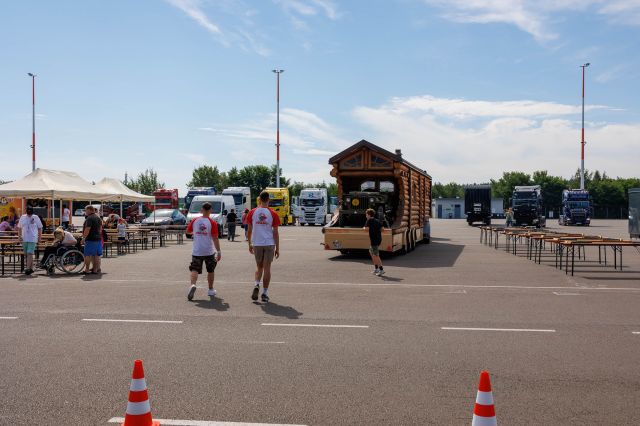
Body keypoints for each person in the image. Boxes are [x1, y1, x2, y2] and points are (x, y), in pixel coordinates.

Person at [247, 191, 280, 302]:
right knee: (267, 269)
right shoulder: (273, 213)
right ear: (268, 200)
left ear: (259, 199)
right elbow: (275, 232)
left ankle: (257, 284)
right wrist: (278, 248)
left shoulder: (252, 212)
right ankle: (264, 293)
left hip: (257, 243)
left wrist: (249, 243)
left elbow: (249, 230)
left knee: (259, 267)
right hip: (269, 243)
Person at [186, 202, 222, 301]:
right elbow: (215, 238)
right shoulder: (212, 222)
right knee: (211, 270)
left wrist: (195, 233)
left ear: (202, 210)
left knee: (194, 269)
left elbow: (188, 231)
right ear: (210, 210)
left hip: (197, 250)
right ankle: (210, 289)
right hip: (209, 251)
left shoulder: (195, 220)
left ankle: (193, 285)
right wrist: (218, 251)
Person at [16, 206, 43, 275]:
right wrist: (19, 237)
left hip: (32, 238)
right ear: (26, 211)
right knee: (26, 254)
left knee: (29, 253)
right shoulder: (23, 217)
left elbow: (40, 228)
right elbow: (19, 228)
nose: (29, 214)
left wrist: (39, 238)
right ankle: (31, 268)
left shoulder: (35, 217)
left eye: (30, 212)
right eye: (28, 212)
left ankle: (27, 269)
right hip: (24, 238)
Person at [363, 208, 385, 276]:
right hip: (378, 239)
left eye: (366, 214)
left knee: (376, 255)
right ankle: (376, 269)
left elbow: (366, 229)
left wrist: (363, 228)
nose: (366, 216)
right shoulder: (377, 221)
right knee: (371, 252)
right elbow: (383, 229)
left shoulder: (369, 220)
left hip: (374, 240)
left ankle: (381, 270)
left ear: (369, 215)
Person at [82, 205, 103, 274]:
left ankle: (87, 269)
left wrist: (83, 238)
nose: (85, 212)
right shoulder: (98, 217)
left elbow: (87, 229)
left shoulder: (89, 218)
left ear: (89, 210)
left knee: (87, 255)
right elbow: (100, 229)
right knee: (96, 255)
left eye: (86, 210)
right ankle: (95, 269)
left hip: (90, 239)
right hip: (98, 238)